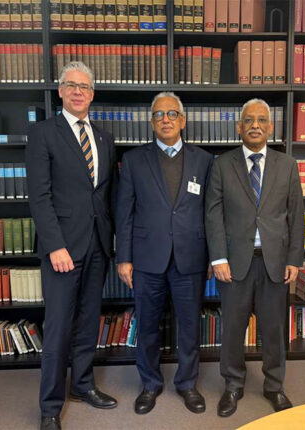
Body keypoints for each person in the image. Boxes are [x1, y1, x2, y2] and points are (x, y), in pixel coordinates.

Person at [26, 61, 118, 430]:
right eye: (71, 85)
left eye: (84, 86)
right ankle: (50, 407)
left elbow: (105, 194)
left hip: (97, 245)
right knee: (59, 327)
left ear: (92, 94)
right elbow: (39, 196)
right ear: (61, 91)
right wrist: (55, 246)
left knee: (87, 322)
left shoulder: (104, 138)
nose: (78, 91)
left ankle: (82, 385)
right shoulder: (43, 133)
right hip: (62, 249)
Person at [205, 98, 305, 417]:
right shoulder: (222, 165)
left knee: (273, 329)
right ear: (239, 127)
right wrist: (218, 258)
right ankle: (233, 385)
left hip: (275, 262)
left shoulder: (287, 165)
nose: (255, 125)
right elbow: (213, 215)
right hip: (234, 263)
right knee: (233, 328)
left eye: (262, 120)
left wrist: (294, 259)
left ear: (270, 127)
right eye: (249, 120)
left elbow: (296, 216)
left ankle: (274, 386)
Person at [115, 92, 213, 415]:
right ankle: (150, 384)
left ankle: (187, 384)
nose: (166, 119)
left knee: (189, 326)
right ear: (152, 122)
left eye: (172, 114)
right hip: (146, 258)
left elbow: (211, 213)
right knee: (146, 325)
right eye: (159, 114)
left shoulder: (204, 160)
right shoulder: (133, 160)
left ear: (182, 120)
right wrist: (124, 258)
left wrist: (213, 256)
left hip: (191, 257)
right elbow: (124, 212)